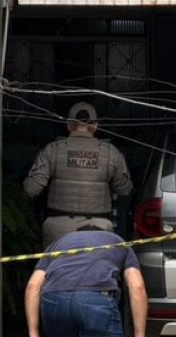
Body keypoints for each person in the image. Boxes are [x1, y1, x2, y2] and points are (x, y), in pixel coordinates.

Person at [23, 102, 133, 247]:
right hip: (99, 230)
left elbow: (31, 189)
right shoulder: (111, 153)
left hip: (58, 229)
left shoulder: (52, 150)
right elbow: (125, 189)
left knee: (57, 268)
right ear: (95, 126)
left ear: (69, 125)